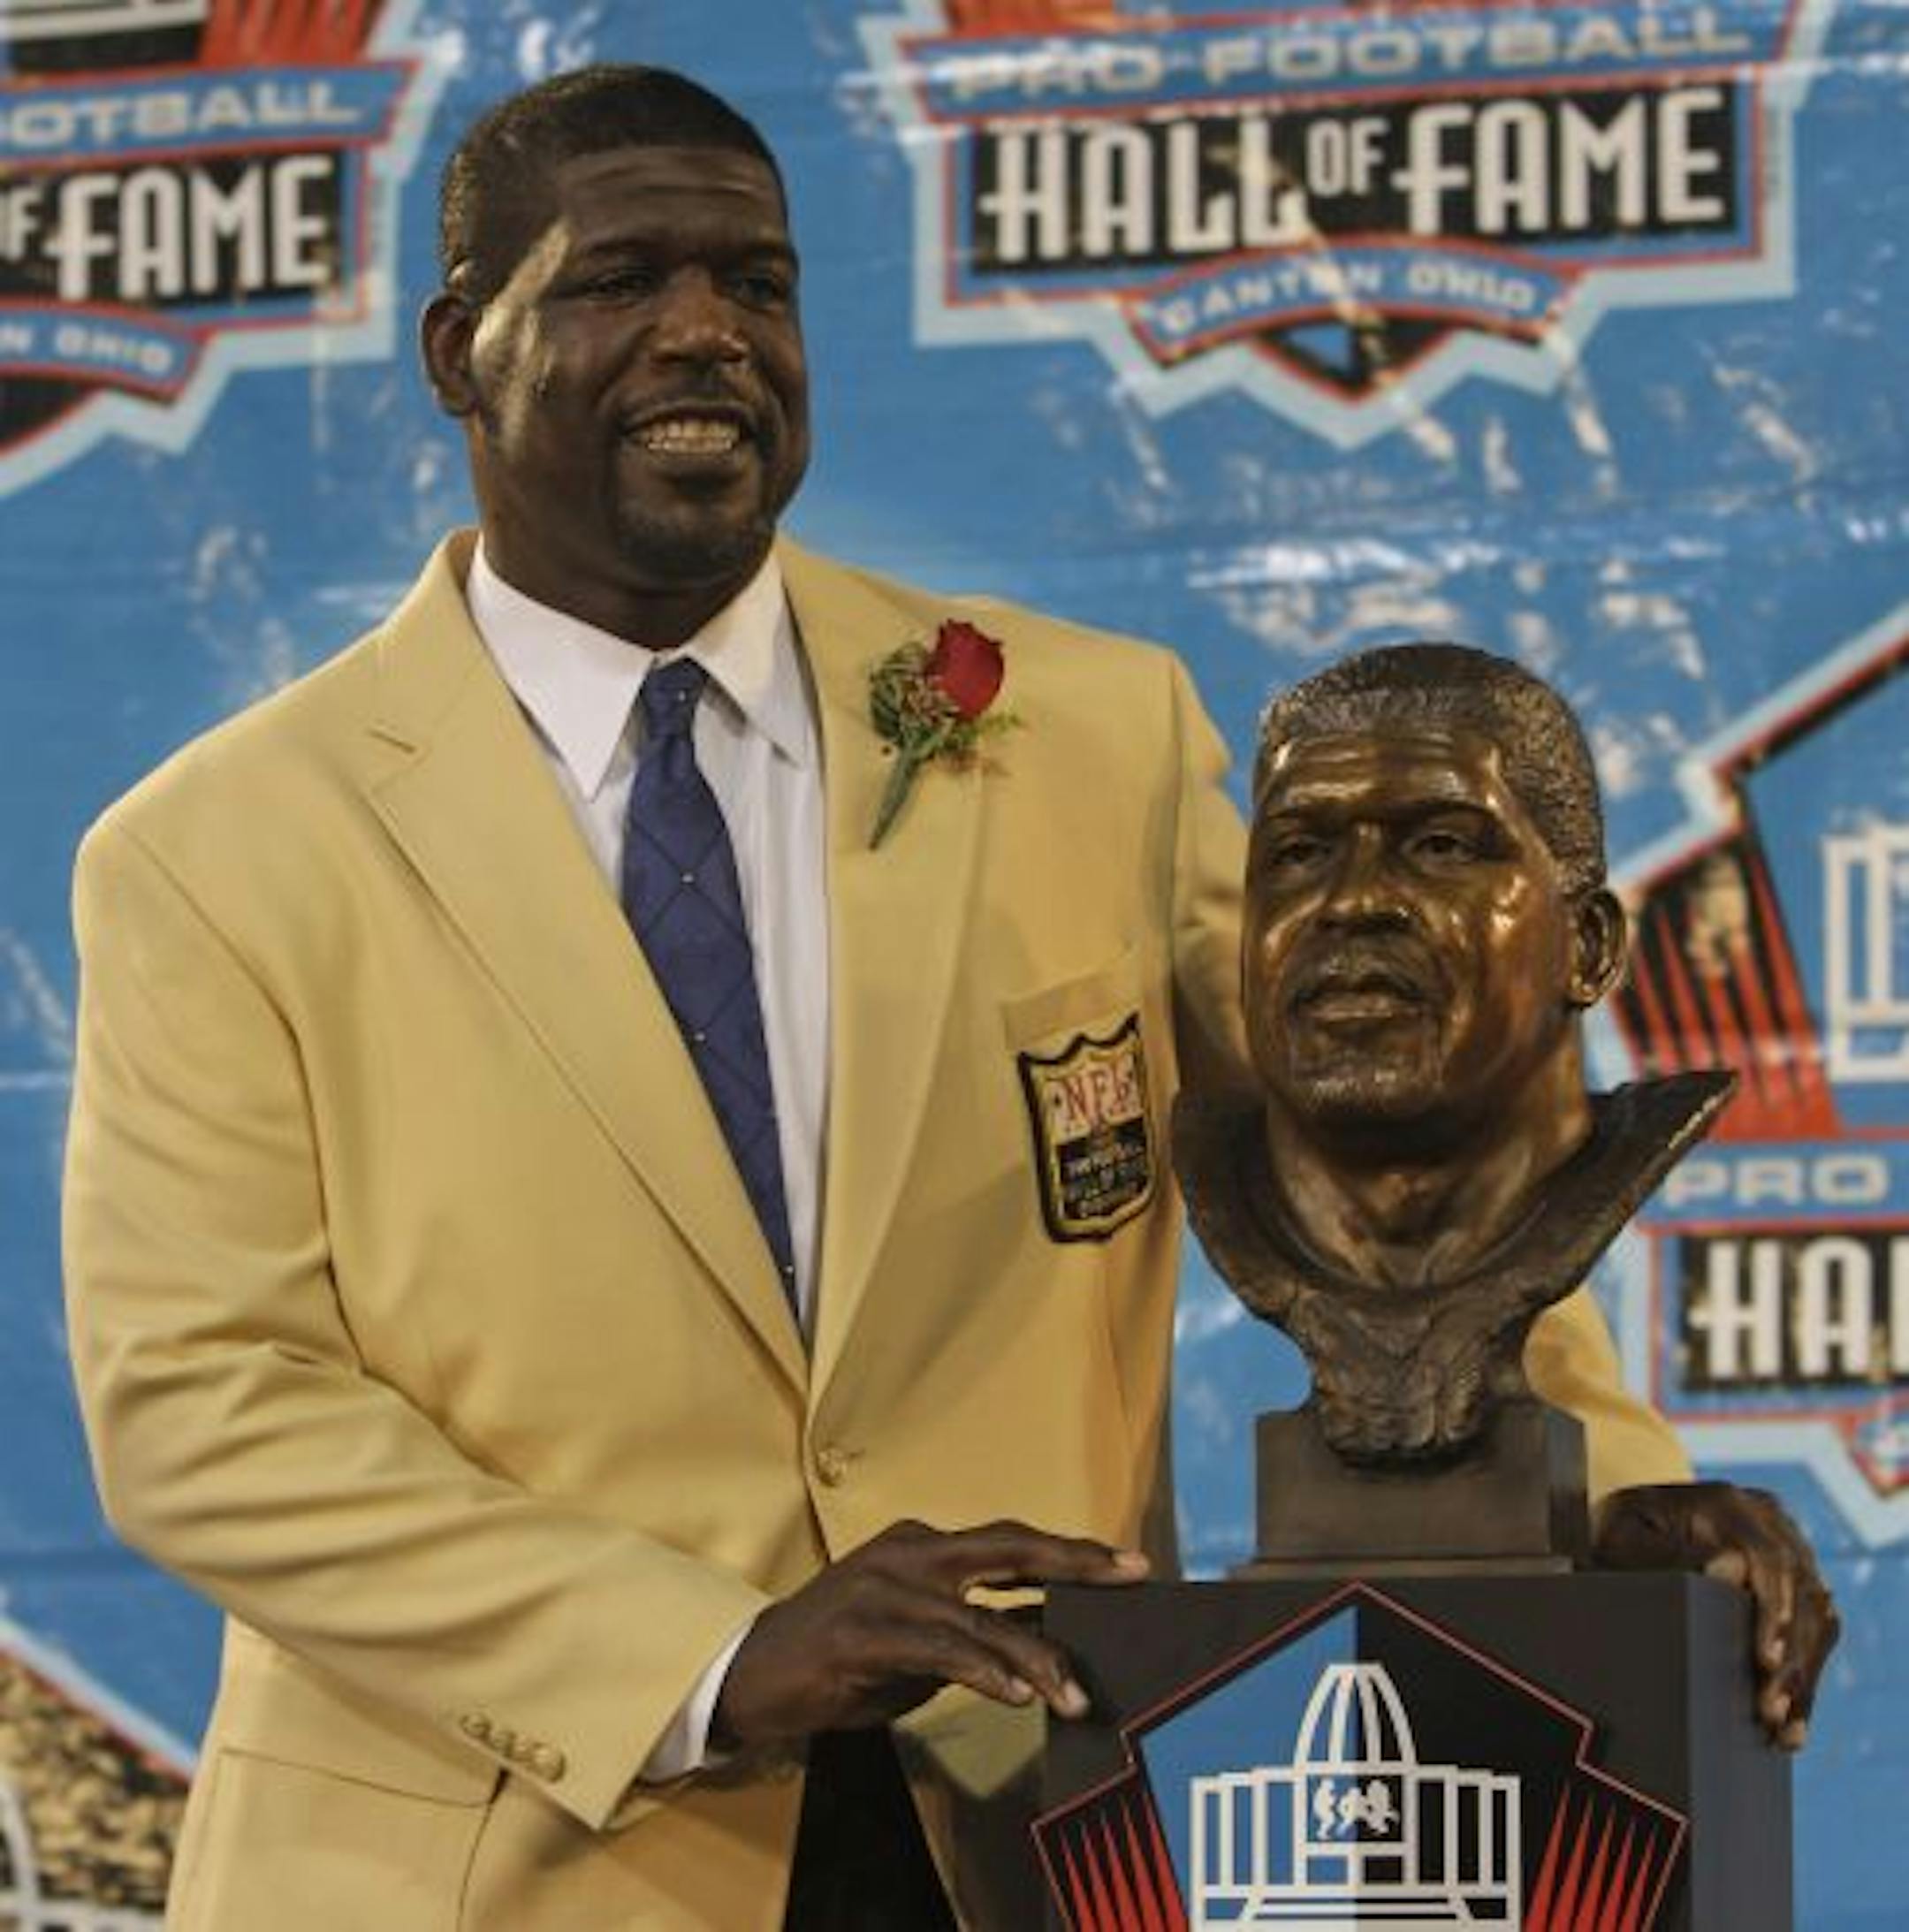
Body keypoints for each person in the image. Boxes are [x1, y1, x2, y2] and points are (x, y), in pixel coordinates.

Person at [59, 66, 1741, 1932]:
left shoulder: (1081, 732)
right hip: (491, 1861)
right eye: (624, 280)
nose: (707, 331)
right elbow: (206, 1405)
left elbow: (1399, 1146)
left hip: (1028, 1827)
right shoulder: (221, 851)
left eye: (757, 287)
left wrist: (1614, 1496)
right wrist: (706, 1650)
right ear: (463, 346)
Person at [1177, 642, 1838, 1723]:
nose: (1353, 905)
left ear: (1588, 944)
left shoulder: (1094, 721)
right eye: (1298, 852)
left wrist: (1601, 1498)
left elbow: (1472, 1235)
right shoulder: (1235, 1149)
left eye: (1441, 844)